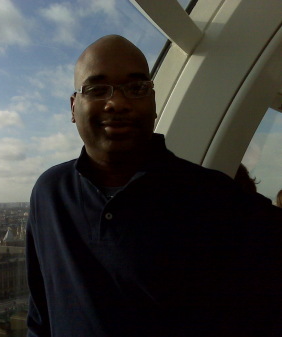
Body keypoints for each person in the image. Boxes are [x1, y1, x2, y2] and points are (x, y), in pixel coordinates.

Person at [26, 35, 282, 337]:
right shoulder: (49, 194)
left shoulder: (217, 199)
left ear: (153, 103)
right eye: (96, 89)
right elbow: (40, 316)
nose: (117, 102)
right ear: (73, 107)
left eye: (136, 88)